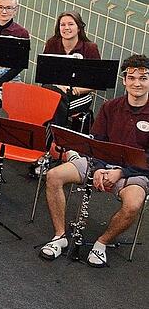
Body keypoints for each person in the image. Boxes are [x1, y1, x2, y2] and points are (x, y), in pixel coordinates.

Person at [40, 55, 149, 268]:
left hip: (136, 172)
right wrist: (98, 168)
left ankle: (102, 243)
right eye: (132, 77)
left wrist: (121, 172)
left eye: (143, 78)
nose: (137, 83)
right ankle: (60, 236)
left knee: (133, 203)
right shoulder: (109, 107)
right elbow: (97, 142)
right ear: (124, 80)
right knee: (53, 176)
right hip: (101, 162)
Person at [42, 11, 102, 127]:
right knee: (52, 99)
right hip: (54, 89)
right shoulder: (52, 44)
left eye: (71, 24)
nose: (66, 28)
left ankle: (50, 137)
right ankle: (58, 136)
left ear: (79, 27)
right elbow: (45, 75)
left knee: (51, 107)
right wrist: (58, 86)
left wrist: (78, 89)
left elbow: (96, 82)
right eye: (62, 25)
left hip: (79, 95)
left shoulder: (90, 48)